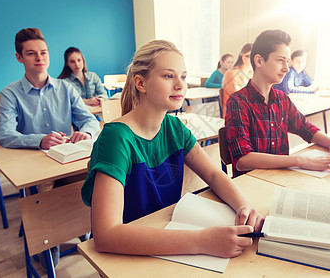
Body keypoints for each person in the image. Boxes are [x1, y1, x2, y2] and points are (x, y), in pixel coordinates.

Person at [81, 40, 263, 258]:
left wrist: (244, 205)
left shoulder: (175, 127)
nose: (180, 85)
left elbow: (214, 175)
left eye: (183, 77)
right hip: (129, 254)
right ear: (140, 83)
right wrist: (201, 241)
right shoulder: (116, 138)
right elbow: (106, 235)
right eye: (169, 76)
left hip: (168, 237)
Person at [0, 27, 100, 268]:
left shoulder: (66, 89)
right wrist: (39, 139)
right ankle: (49, 251)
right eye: (31, 53)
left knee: (103, 180)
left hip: (68, 161)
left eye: (43, 52)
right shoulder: (10, 94)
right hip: (36, 169)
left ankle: (97, 239)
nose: (39, 58)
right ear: (19, 58)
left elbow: (90, 120)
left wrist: (86, 131)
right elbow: (5, 135)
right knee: (44, 202)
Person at [225, 29, 330, 178]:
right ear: (259, 61)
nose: (286, 68)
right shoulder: (238, 102)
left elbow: (305, 128)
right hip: (253, 183)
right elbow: (243, 160)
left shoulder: (281, 99)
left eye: (287, 61)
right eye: (280, 60)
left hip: (282, 178)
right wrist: (299, 160)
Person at [221, 43, 253, 117]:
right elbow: (240, 99)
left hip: (247, 115)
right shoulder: (231, 74)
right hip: (234, 115)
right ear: (244, 58)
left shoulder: (251, 74)